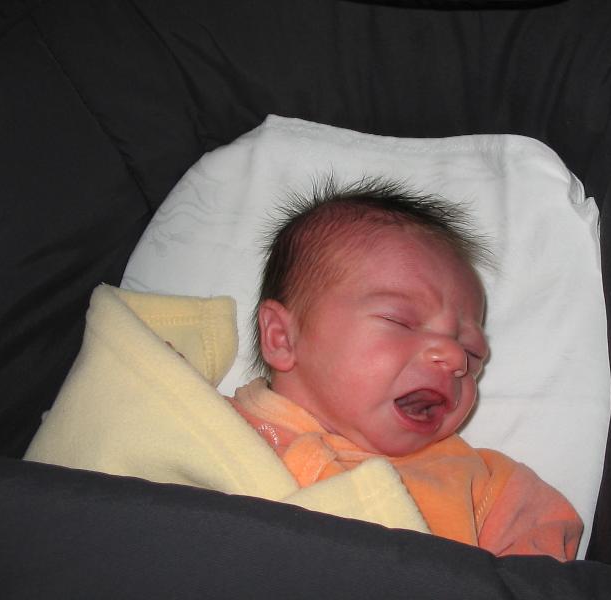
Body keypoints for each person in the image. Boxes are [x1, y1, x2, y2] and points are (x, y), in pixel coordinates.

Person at [229, 178, 583, 560]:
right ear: (282, 338)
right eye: (401, 321)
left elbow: (543, 561)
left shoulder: (478, 484)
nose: (455, 357)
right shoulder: (213, 426)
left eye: (472, 351)